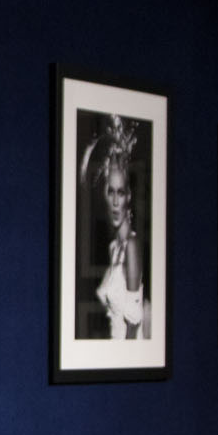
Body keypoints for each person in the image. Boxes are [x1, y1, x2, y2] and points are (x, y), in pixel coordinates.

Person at [79, 116, 147, 339]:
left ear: (129, 196)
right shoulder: (114, 247)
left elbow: (133, 327)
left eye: (121, 192)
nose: (116, 202)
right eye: (111, 192)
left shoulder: (132, 246)